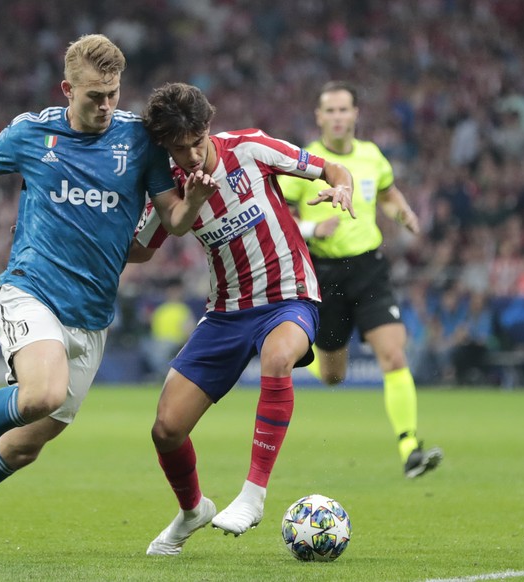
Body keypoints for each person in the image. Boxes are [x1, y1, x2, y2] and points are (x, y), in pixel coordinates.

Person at [0, 35, 216, 557]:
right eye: (94, 96)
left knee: (21, 448)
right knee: (41, 392)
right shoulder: (31, 133)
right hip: (30, 290)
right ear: (67, 89)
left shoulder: (140, 141)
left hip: (92, 318)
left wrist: (192, 202)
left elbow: (172, 220)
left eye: (113, 93)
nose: (106, 106)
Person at [129, 82, 355, 555]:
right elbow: (142, 250)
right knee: (166, 429)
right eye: (178, 147)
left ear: (207, 127)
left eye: (196, 141)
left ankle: (253, 494)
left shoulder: (249, 148)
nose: (191, 154)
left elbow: (329, 167)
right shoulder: (169, 188)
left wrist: (342, 186)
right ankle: (193, 511)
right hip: (227, 313)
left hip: (289, 296)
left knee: (278, 357)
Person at [278, 80, 443, 478]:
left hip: (369, 268)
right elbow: (277, 215)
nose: (337, 117)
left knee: (394, 354)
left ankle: (409, 447)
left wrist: (402, 212)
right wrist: (313, 230)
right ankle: (319, 361)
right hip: (324, 273)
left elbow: (386, 191)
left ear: (355, 114)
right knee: (334, 374)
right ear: (318, 117)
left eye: (343, 110)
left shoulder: (371, 157)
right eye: (329, 111)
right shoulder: (305, 163)